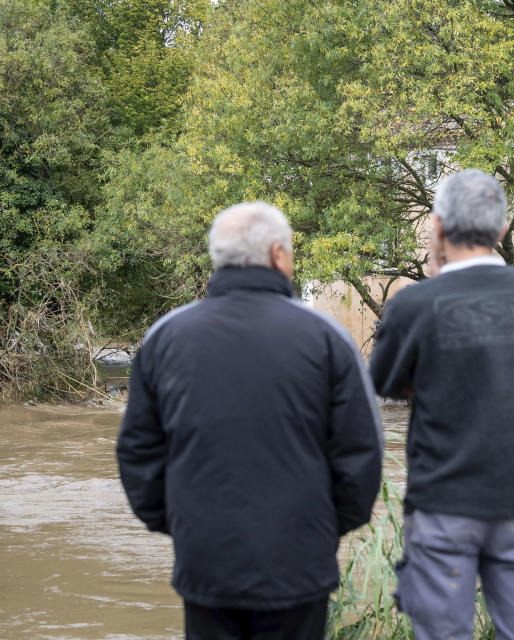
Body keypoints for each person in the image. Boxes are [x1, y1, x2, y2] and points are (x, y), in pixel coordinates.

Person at [117, 201, 383, 639]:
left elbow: (137, 452)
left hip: (205, 560)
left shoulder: (166, 336)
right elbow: (362, 452)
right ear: (278, 254)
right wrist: (322, 528)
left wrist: (182, 523)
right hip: (299, 562)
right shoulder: (326, 338)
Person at [369, 169, 514, 640]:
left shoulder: (413, 305)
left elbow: (383, 384)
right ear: (501, 231)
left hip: (443, 505)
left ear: (437, 228)